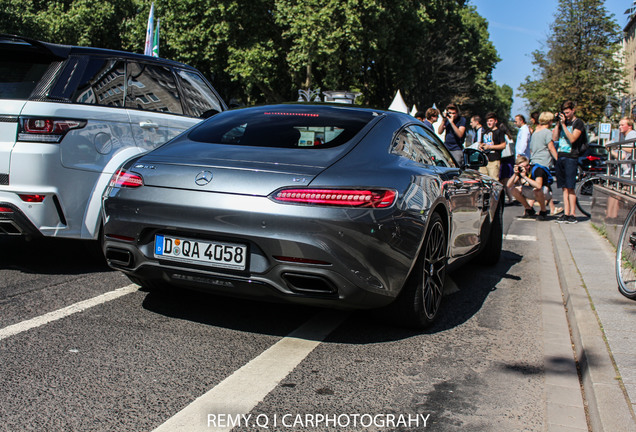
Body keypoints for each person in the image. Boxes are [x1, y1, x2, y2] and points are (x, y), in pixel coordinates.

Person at [552, 100, 586, 224]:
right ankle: (566, 213)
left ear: (573, 110)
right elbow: (555, 138)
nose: (566, 115)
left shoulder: (578, 123)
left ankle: (573, 214)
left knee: (570, 186)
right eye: (564, 113)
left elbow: (572, 139)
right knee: (564, 187)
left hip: (571, 156)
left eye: (567, 113)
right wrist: (558, 124)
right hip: (561, 155)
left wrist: (565, 126)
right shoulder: (562, 123)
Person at [529, 111, 561, 215]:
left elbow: (531, 149)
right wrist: (558, 160)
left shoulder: (535, 132)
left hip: (534, 162)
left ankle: (533, 208)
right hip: (543, 163)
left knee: (542, 187)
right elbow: (551, 147)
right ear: (550, 121)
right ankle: (541, 210)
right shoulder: (547, 132)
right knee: (542, 188)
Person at [507, 155, 552, 221]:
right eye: (520, 167)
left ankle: (543, 211)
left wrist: (525, 177)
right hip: (531, 191)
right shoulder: (520, 172)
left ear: (528, 165)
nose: (523, 169)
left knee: (537, 190)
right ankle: (529, 209)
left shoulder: (537, 170)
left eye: (524, 166)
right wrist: (515, 174)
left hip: (545, 192)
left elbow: (538, 186)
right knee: (514, 190)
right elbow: (508, 185)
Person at [478, 112, 507, 179]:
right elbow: (481, 142)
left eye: (491, 121)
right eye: (488, 121)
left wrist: (490, 147)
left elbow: (503, 145)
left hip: (494, 160)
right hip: (484, 160)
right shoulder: (485, 132)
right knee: (483, 179)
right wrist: (481, 146)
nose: (489, 123)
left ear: (495, 121)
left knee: (493, 179)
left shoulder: (499, 132)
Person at [498, 121, 516, 203]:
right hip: (510, 159)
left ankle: (510, 198)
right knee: (507, 180)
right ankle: (511, 197)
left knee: (505, 181)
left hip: (504, 159)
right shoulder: (510, 137)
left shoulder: (503, 137)